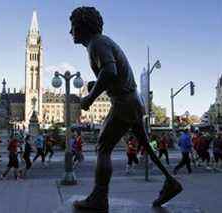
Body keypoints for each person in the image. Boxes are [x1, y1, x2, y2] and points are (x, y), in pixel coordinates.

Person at [69, 7, 182, 211]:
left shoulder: (97, 43)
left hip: (123, 103)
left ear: (83, 26)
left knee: (103, 147)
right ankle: (171, 182)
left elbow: (110, 71)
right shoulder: (102, 42)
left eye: (73, 26)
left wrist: (90, 98)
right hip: (133, 101)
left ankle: (99, 198)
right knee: (146, 145)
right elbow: (114, 73)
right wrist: (97, 84)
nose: (70, 32)